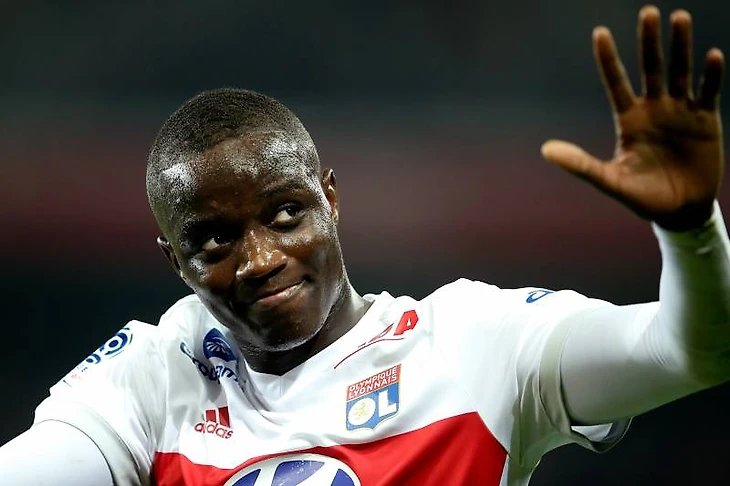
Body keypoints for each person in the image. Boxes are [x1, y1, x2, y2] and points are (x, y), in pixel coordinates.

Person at [1, 5, 729, 485]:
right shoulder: (154, 378)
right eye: (216, 240)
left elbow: (692, 352)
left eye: (286, 214)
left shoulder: (474, 342)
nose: (260, 261)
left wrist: (691, 228)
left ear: (331, 199)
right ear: (174, 262)